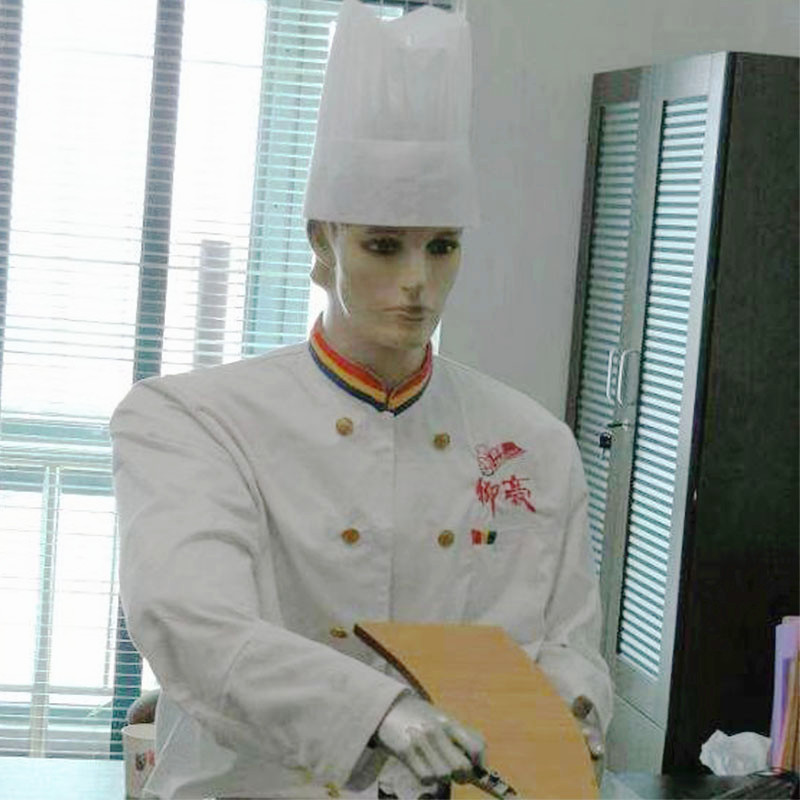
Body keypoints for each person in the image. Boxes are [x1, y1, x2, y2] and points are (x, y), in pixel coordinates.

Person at [110, 1, 612, 798]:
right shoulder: (195, 420)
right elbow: (193, 624)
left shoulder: (533, 441)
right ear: (323, 243)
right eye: (383, 246)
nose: (417, 281)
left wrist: (571, 715)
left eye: (441, 247)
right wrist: (383, 713)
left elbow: (568, 639)